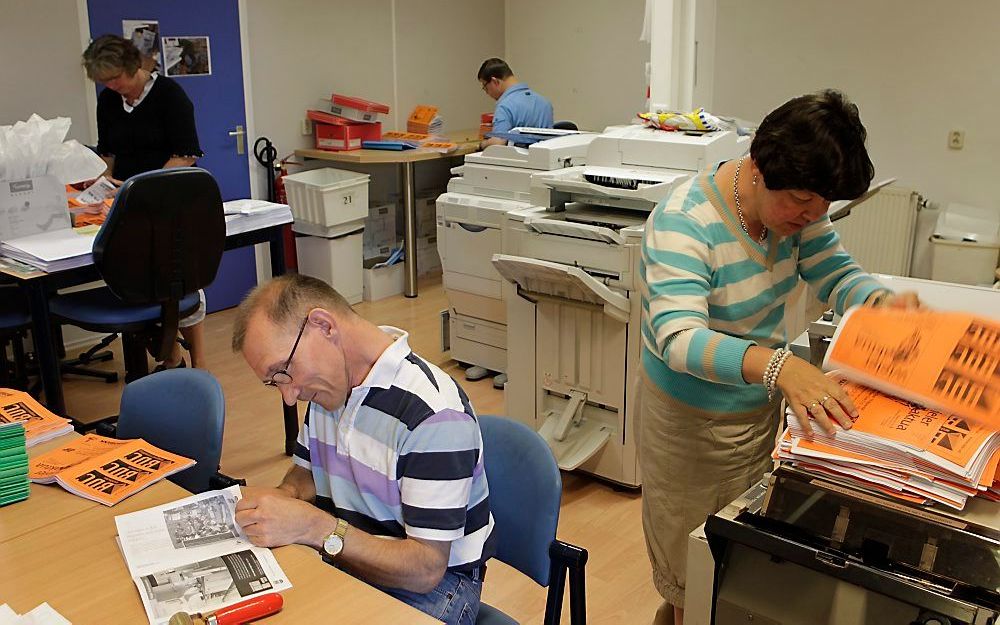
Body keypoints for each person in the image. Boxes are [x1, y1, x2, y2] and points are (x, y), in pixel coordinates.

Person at [638, 89, 920, 625]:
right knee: (688, 572)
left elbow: (836, 273)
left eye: (823, 205)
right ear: (759, 167)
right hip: (688, 425)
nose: (811, 215)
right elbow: (678, 338)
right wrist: (780, 366)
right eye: (799, 200)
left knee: (728, 563)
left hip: (755, 408)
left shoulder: (798, 210)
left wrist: (883, 305)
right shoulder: (685, 221)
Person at [230, 274, 495, 625]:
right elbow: (308, 471)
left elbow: (425, 569)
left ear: (323, 326)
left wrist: (315, 527)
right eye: (274, 381)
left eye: (284, 372)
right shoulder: (328, 387)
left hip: (432, 588)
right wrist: (285, 495)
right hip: (347, 556)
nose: (289, 395)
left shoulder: (434, 416)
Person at [82, 34, 207, 369]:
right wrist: (102, 187)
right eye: (103, 81)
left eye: (114, 78)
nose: (109, 86)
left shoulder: (170, 96)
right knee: (140, 278)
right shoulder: (108, 102)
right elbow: (107, 152)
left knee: (179, 281)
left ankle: (199, 363)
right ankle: (170, 359)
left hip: (170, 200)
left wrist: (142, 187)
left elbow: (185, 155)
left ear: (132, 66)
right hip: (128, 204)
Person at [477, 57, 553, 149]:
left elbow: (498, 142)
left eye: (485, 87)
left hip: (517, 162)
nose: (487, 93)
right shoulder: (544, 103)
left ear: (495, 81)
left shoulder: (505, 106)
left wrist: (481, 145)